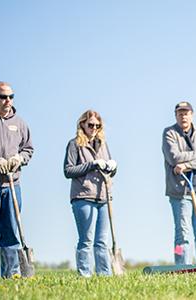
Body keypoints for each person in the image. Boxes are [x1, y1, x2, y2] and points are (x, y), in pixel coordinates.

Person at [0, 82, 34, 279]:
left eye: (11, 96)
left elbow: (28, 148)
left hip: (12, 185)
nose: (8, 101)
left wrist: (19, 159)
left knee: (11, 232)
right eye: (4, 97)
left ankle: (10, 274)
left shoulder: (19, 122)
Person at [162, 101, 196, 265]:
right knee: (182, 233)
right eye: (180, 113)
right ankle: (181, 266)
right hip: (180, 191)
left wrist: (186, 165)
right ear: (176, 116)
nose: (183, 116)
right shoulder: (169, 133)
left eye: (186, 113)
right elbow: (174, 157)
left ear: (192, 115)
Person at [63, 110, 117, 277]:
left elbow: (108, 170)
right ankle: (85, 274)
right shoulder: (74, 144)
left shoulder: (103, 144)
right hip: (83, 196)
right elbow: (68, 170)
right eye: (91, 125)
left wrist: (113, 167)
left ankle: (105, 275)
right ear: (82, 125)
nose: (94, 128)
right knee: (86, 240)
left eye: (97, 125)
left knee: (102, 241)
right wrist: (92, 164)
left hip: (103, 195)